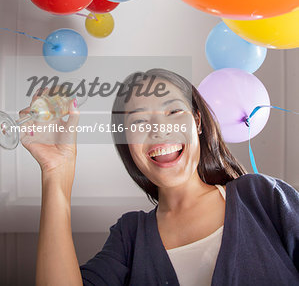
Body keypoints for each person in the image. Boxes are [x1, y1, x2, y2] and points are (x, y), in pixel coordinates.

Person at [20, 68, 299, 286]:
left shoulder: (262, 197)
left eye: (174, 111)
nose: (159, 130)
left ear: (198, 121)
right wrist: (56, 172)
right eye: (139, 121)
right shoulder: (130, 236)